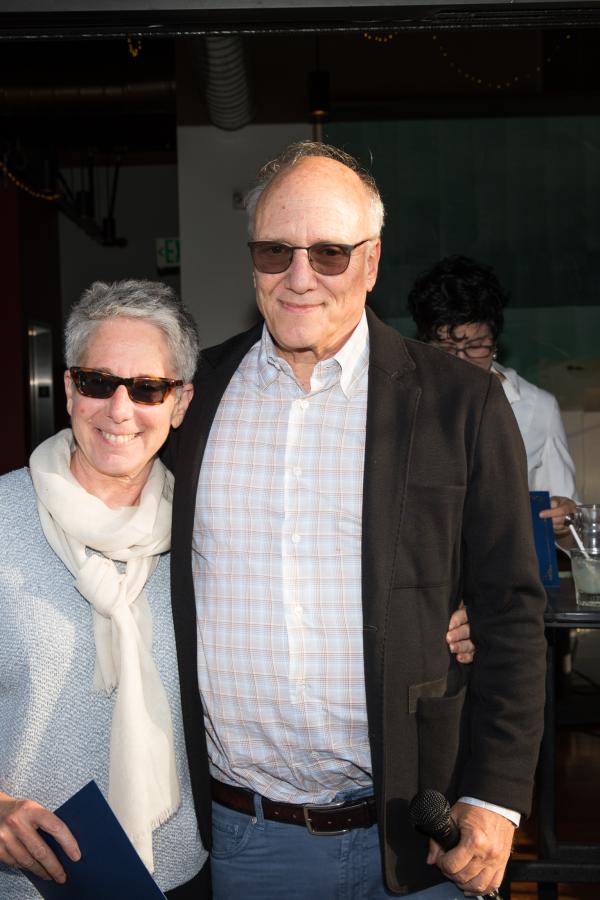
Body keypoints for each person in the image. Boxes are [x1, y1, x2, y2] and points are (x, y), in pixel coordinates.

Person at [166, 141, 547, 900]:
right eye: (276, 250)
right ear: (252, 260)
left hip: (424, 834)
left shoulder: (460, 404)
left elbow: (509, 611)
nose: (299, 276)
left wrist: (497, 800)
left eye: (329, 253)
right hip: (249, 842)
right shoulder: (189, 398)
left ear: (371, 263)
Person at [0, 280, 210, 898]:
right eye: (98, 382)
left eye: (147, 388)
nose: (120, 410)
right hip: (27, 882)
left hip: (181, 874)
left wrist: (450, 620)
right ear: (68, 389)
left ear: (180, 403)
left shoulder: (207, 533)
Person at [407, 254, 578, 537]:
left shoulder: (536, 408)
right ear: (424, 344)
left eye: (475, 347)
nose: (460, 363)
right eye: (446, 349)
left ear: (495, 344)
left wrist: (564, 519)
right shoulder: (402, 401)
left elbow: (567, 526)